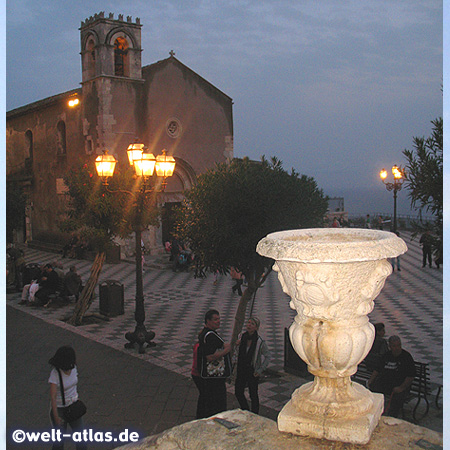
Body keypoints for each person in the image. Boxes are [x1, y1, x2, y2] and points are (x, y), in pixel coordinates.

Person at [48, 346, 87, 450]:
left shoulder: (73, 368)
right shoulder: (55, 374)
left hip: (73, 406)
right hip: (60, 409)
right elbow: (53, 397)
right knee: (59, 443)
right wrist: (56, 417)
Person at [368, 335, 415, 418]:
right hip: (386, 383)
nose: (397, 348)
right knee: (374, 389)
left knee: (397, 398)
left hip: (400, 386)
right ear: (390, 346)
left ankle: (391, 416)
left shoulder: (406, 357)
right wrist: (371, 380)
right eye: (394, 346)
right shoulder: (387, 355)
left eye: (398, 345)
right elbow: (378, 369)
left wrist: (401, 387)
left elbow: (410, 376)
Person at [198, 309, 231, 417]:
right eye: (215, 319)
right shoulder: (210, 335)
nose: (218, 321)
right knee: (217, 399)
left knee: (207, 398)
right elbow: (210, 356)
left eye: (219, 319)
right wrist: (227, 350)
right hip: (214, 374)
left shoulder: (204, 333)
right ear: (208, 321)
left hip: (207, 374)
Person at [234, 317, 270, 414]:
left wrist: (260, 370)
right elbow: (238, 353)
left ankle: (254, 414)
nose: (249, 325)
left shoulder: (259, 342)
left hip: (252, 370)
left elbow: (267, 357)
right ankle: (246, 410)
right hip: (241, 369)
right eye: (248, 323)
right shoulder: (242, 337)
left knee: (253, 394)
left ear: (256, 327)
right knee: (238, 391)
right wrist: (237, 345)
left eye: (252, 324)